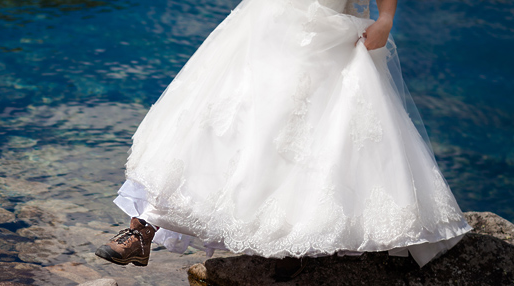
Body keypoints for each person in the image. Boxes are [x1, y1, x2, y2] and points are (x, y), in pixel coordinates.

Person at [95, 0, 471, 269]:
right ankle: (143, 228)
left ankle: (293, 243)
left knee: (308, 131)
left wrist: (386, 16)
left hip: (326, 31)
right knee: (218, 119)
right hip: (266, 23)